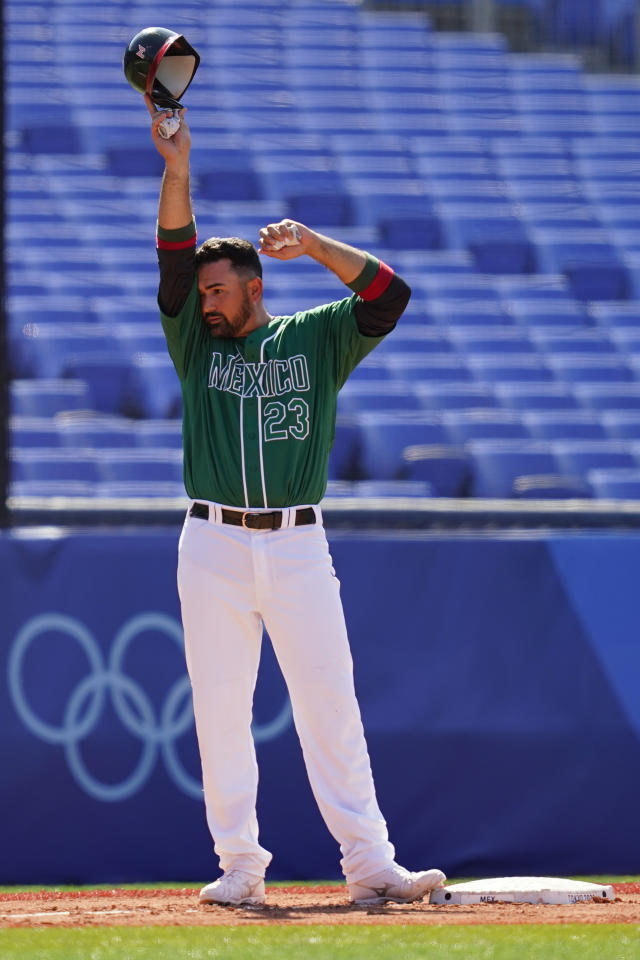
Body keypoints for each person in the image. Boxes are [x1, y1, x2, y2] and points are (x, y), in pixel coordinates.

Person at [146, 94, 446, 908]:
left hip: (297, 541)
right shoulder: (191, 344)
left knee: (329, 704)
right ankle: (240, 866)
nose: (204, 301)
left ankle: (370, 865)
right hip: (211, 542)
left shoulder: (313, 337)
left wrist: (314, 247)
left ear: (250, 287)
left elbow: (390, 295)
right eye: (201, 291)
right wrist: (177, 168)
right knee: (219, 712)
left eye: (217, 290)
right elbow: (174, 248)